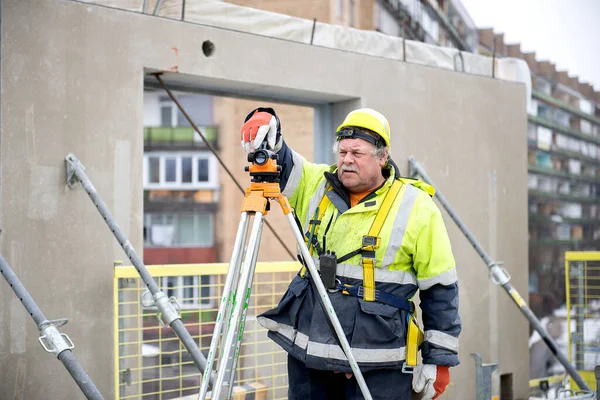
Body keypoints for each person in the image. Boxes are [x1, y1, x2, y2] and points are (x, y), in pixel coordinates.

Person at [239, 107, 461, 400]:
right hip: (311, 354)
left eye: (357, 153)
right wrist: (269, 128)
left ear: (383, 157)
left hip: (378, 363)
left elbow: (440, 288)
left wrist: (439, 359)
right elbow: (283, 162)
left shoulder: (416, 207)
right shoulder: (316, 183)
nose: (346, 160)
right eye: (342, 152)